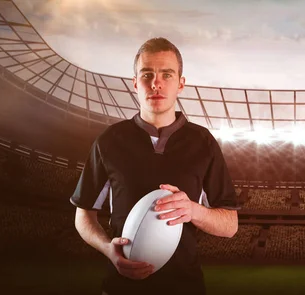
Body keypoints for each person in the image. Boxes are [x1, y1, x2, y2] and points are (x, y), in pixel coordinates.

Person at [70, 37, 240, 295]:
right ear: (135, 83)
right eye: (147, 74)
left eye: (167, 75)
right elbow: (83, 214)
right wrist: (108, 250)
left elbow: (230, 225)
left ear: (180, 84)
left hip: (186, 287)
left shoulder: (203, 142)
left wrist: (193, 211)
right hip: (120, 287)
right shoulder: (109, 141)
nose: (156, 83)